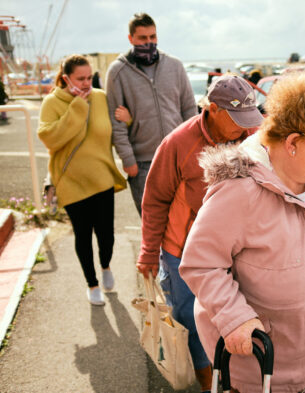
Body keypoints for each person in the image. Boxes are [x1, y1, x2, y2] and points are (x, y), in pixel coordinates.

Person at [179, 72, 305, 392]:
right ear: (292, 142)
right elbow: (200, 263)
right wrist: (234, 317)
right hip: (264, 377)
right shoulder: (239, 190)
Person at [135, 74, 264, 393]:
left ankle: (235, 380)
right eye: (237, 120)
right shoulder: (179, 143)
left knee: (236, 316)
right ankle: (208, 384)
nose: (244, 128)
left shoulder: (252, 137)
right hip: (185, 251)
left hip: (237, 249)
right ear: (213, 110)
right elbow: (154, 200)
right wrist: (149, 252)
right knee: (191, 321)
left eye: (249, 119)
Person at [37, 55, 127, 305]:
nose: (87, 83)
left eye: (90, 77)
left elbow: (113, 130)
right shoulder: (52, 102)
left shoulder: (100, 97)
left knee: (106, 234)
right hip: (70, 181)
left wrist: (126, 120)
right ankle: (92, 283)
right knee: (83, 236)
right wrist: (77, 106)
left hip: (101, 178)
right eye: (80, 78)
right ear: (66, 78)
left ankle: (106, 266)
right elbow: (50, 138)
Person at [105, 12, 196, 216]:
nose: (149, 42)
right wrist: (129, 162)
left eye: (152, 37)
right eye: (142, 38)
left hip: (178, 158)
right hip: (143, 163)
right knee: (153, 226)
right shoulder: (117, 72)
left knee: (184, 222)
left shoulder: (174, 65)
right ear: (131, 39)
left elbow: (189, 110)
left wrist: (191, 150)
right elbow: (115, 121)